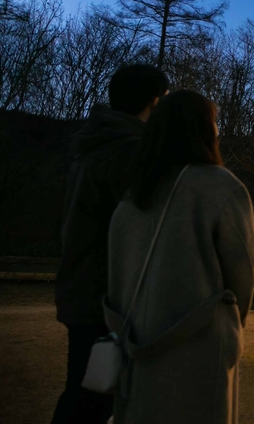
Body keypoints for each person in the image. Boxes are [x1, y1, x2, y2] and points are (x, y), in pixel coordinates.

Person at [105, 90, 254, 424]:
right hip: (200, 344)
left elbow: (116, 275)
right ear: (205, 129)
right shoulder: (221, 186)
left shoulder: (134, 194)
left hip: (137, 345)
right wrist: (231, 320)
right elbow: (244, 271)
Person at [51, 64, 168, 424]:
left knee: (86, 392)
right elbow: (144, 227)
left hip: (83, 288)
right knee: (93, 399)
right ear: (154, 101)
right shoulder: (129, 151)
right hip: (106, 296)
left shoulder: (94, 145)